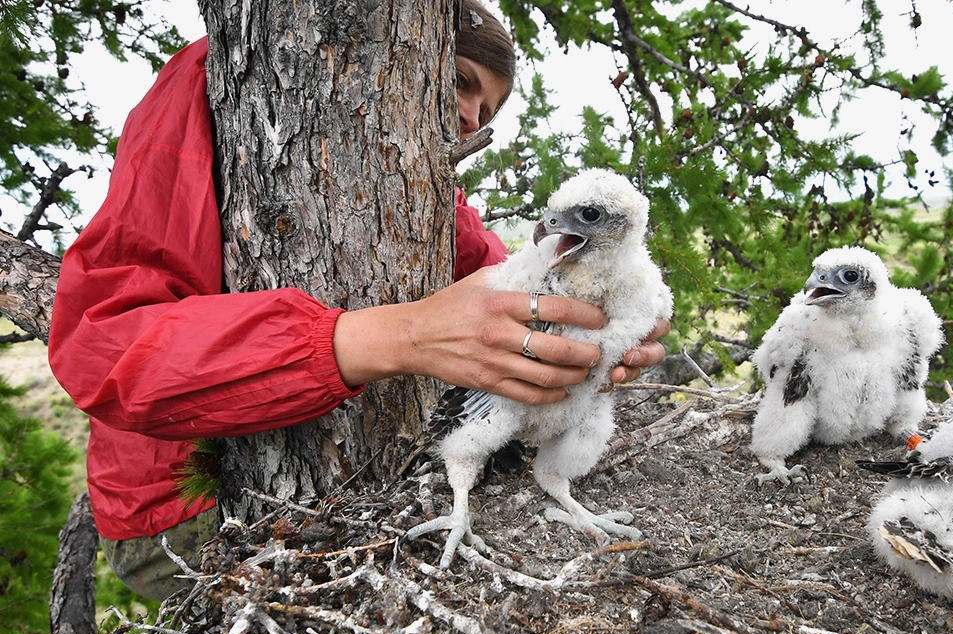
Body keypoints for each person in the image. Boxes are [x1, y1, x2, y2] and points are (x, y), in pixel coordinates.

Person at [47, 1, 669, 601]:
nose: (475, 120)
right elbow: (100, 349)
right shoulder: (219, 87)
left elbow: (497, 272)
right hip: (183, 513)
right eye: (460, 80)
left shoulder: (412, 177)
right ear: (395, 55)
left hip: (369, 480)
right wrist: (393, 339)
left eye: (489, 109)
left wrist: (611, 314)